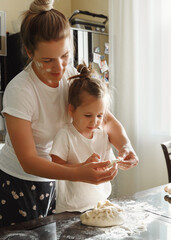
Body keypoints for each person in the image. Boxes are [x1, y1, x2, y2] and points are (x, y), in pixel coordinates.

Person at [0, 0, 138, 228]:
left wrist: (125, 146)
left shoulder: (71, 75)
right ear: (28, 52)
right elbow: (29, 162)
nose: (59, 68)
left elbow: (107, 120)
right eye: (47, 60)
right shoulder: (20, 91)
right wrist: (79, 172)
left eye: (64, 56)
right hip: (18, 186)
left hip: (54, 181)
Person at [50, 63, 117, 213]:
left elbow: (109, 162)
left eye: (100, 115)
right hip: (70, 208)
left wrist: (112, 167)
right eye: (88, 115)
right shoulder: (65, 135)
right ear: (72, 110)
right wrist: (82, 167)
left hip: (99, 204)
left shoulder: (103, 135)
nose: (94, 121)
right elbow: (56, 169)